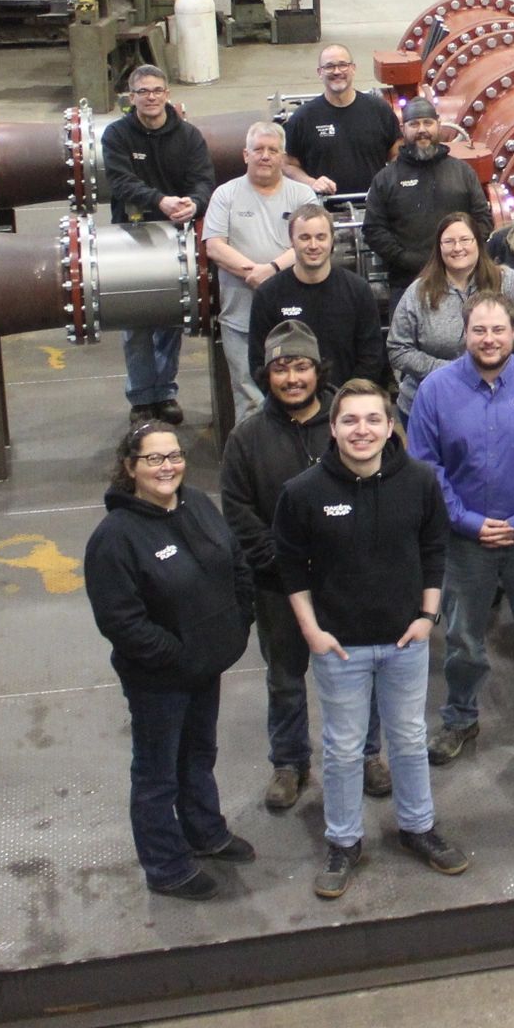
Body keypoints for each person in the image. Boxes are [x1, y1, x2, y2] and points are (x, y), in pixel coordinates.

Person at [271, 379, 471, 896]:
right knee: (342, 748)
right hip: (340, 647)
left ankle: (418, 828)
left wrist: (428, 617)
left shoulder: (420, 481)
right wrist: (312, 631)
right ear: (333, 428)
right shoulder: (303, 493)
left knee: (407, 739)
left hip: (406, 640)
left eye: (373, 420)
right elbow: (290, 569)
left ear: (389, 427)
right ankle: (343, 842)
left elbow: (434, 549)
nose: (362, 430)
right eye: (351, 421)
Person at [406, 292, 514, 765]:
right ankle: (460, 719)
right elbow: (426, 469)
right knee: (463, 639)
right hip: (464, 544)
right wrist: (467, 521)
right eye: (479, 330)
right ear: (465, 333)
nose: (489, 339)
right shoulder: (436, 391)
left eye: (498, 330)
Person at [84, 419, 254, 900]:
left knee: (199, 754)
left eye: (174, 456)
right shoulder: (115, 538)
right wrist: (178, 657)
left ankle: (204, 831)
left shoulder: (198, 504)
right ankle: (165, 866)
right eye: (154, 459)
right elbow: (122, 622)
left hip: (206, 666)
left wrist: (239, 622)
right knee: (157, 773)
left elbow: (234, 561)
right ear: (129, 467)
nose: (167, 467)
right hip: (159, 679)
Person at [219, 322, 336, 814]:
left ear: (318, 370)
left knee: (355, 675)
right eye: (282, 368)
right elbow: (238, 511)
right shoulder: (246, 438)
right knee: (285, 677)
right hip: (277, 587)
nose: (292, 378)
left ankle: (367, 754)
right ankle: (289, 763)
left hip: (345, 581)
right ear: (266, 374)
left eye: (301, 366)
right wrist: (286, 567)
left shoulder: (346, 421)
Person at [99, 64, 215, 426]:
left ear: (168, 94)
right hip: (130, 240)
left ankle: (163, 392)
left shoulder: (189, 136)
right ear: (131, 98)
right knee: (135, 324)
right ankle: (141, 398)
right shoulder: (116, 136)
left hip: (175, 237)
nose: (151, 97)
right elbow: (120, 182)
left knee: (170, 321)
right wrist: (160, 201)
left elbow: (203, 180)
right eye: (143, 92)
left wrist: (194, 204)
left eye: (157, 90)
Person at [203, 120, 322, 423]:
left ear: (283, 157)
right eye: (258, 150)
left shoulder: (302, 196)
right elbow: (215, 247)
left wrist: (270, 270)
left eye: (273, 150)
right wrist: (252, 272)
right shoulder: (225, 195)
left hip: (297, 318)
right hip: (241, 317)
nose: (265, 156)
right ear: (245, 155)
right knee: (250, 399)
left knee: (303, 394)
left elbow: (312, 242)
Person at [387, 212, 514, 417]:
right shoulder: (419, 292)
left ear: (478, 243)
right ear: (439, 247)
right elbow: (397, 348)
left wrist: (496, 347)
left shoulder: (507, 281)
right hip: (430, 405)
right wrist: (452, 371)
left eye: (465, 240)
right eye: (449, 242)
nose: (458, 248)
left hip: (499, 400)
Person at [249, 202, 386, 394]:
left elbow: (371, 357)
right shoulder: (268, 294)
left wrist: (347, 401)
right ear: (292, 241)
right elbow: (258, 363)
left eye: (320, 237)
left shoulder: (358, 290)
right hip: (290, 404)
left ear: (332, 240)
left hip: (346, 406)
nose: (313, 245)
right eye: (304, 238)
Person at [363, 98, 493, 291]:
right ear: (403, 129)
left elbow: (483, 220)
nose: (421, 130)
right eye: (414, 124)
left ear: (438, 125)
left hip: (465, 281)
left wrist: (459, 255)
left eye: (427, 123)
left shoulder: (463, 172)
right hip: (408, 282)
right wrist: (408, 260)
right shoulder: (385, 178)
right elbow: (374, 230)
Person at [281, 43, 401, 199]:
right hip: (323, 209)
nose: (337, 72)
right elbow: (288, 165)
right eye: (329, 67)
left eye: (343, 65)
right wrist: (312, 183)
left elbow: (397, 156)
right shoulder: (303, 118)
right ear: (320, 72)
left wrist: (386, 182)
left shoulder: (379, 110)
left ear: (353, 68)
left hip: (375, 206)